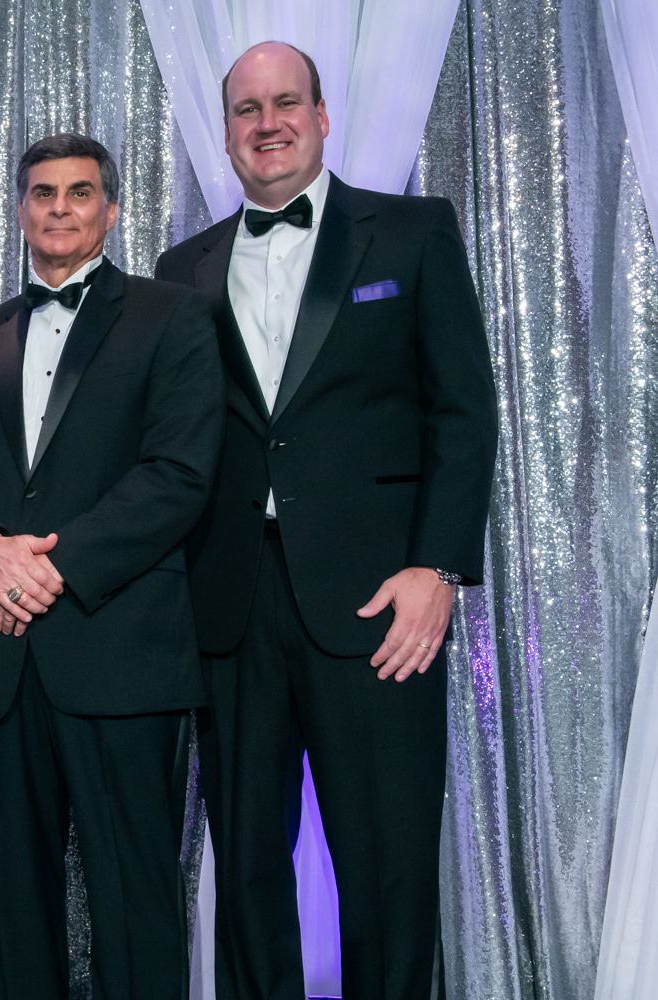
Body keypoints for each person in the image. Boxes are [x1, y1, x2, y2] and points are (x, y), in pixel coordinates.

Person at [155, 41, 498, 1000]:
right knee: (246, 869)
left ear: (321, 116)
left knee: (389, 863)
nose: (267, 123)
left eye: (285, 103)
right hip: (230, 601)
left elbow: (464, 412)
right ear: (226, 132)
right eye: (247, 109)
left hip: (378, 597)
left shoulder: (413, 232)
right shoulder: (181, 268)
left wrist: (438, 566)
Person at [0, 134, 224, 999]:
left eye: (80, 191)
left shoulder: (172, 315)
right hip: (5, 659)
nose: (59, 207)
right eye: (43, 192)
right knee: (19, 900)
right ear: (21, 209)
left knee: (135, 895)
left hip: (119, 646)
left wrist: (43, 574)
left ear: (112, 208)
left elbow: (178, 474)